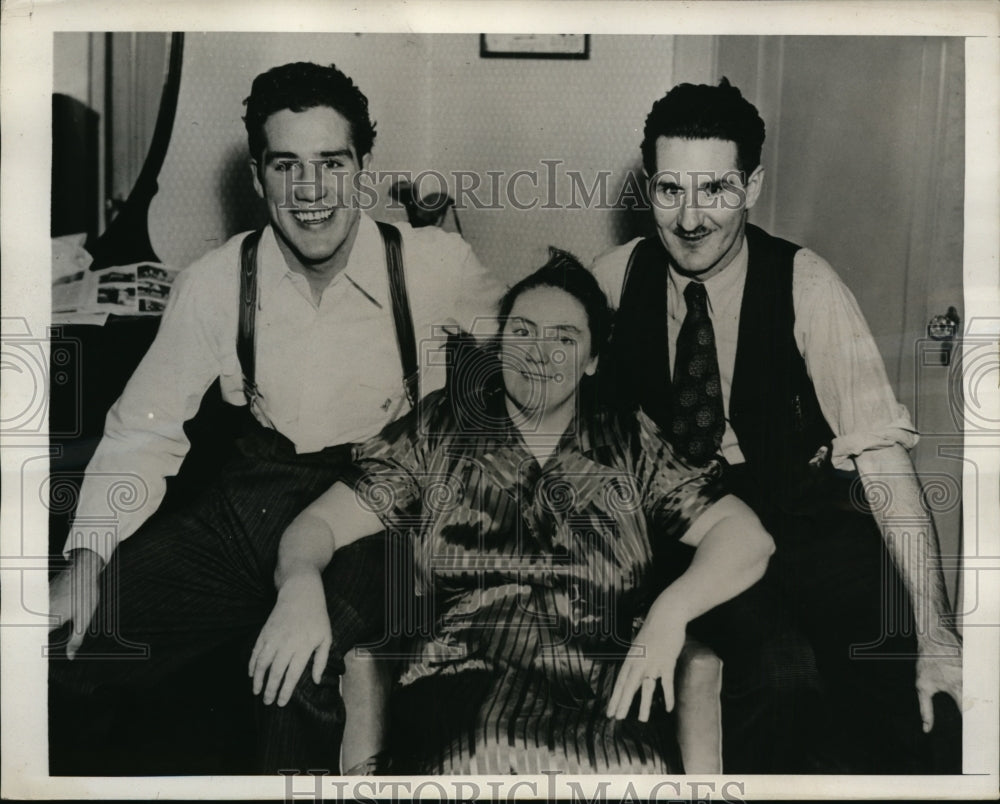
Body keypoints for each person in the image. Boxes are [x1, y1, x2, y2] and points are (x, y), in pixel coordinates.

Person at [48, 61, 501, 774]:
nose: (312, 191)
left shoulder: (437, 265)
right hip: (251, 501)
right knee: (67, 641)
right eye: (286, 165)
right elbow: (144, 431)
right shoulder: (215, 282)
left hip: (379, 511)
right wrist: (85, 560)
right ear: (258, 178)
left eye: (332, 163)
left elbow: (526, 378)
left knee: (299, 667)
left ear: (363, 170)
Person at [248, 250, 776, 774]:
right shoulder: (443, 428)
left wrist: (671, 611)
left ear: (593, 359)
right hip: (460, 683)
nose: (537, 354)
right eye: (522, 332)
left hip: (603, 690)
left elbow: (747, 537)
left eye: (564, 339)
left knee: (626, 773)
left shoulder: (627, 439)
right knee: (489, 749)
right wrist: (299, 582)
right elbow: (316, 524)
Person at [592, 78, 963, 773]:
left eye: (717, 190)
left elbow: (882, 460)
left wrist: (937, 633)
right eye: (672, 191)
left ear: (753, 185)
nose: (692, 218)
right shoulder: (613, 279)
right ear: (649, 189)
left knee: (911, 675)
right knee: (781, 673)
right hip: (693, 534)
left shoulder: (808, 283)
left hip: (805, 517)